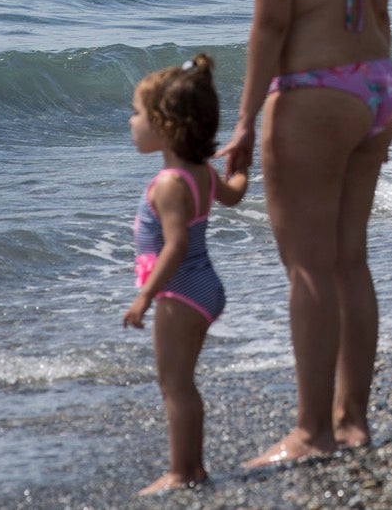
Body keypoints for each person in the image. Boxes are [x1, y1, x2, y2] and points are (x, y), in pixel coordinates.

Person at [218, 0, 392, 467]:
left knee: (308, 268)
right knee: (350, 257)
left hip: (314, 92)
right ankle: (352, 423)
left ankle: (311, 433)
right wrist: (377, 102)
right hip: (377, 86)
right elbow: (379, 10)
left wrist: (241, 123)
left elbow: (269, 22)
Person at [123, 53, 249, 496]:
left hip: (180, 294)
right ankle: (192, 468)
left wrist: (144, 298)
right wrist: (242, 165)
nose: (131, 121)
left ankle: (183, 472)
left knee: (175, 385)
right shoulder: (200, 172)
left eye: (138, 113)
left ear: (165, 126)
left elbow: (174, 247)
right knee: (182, 383)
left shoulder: (171, 183)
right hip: (202, 289)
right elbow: (232, 196)